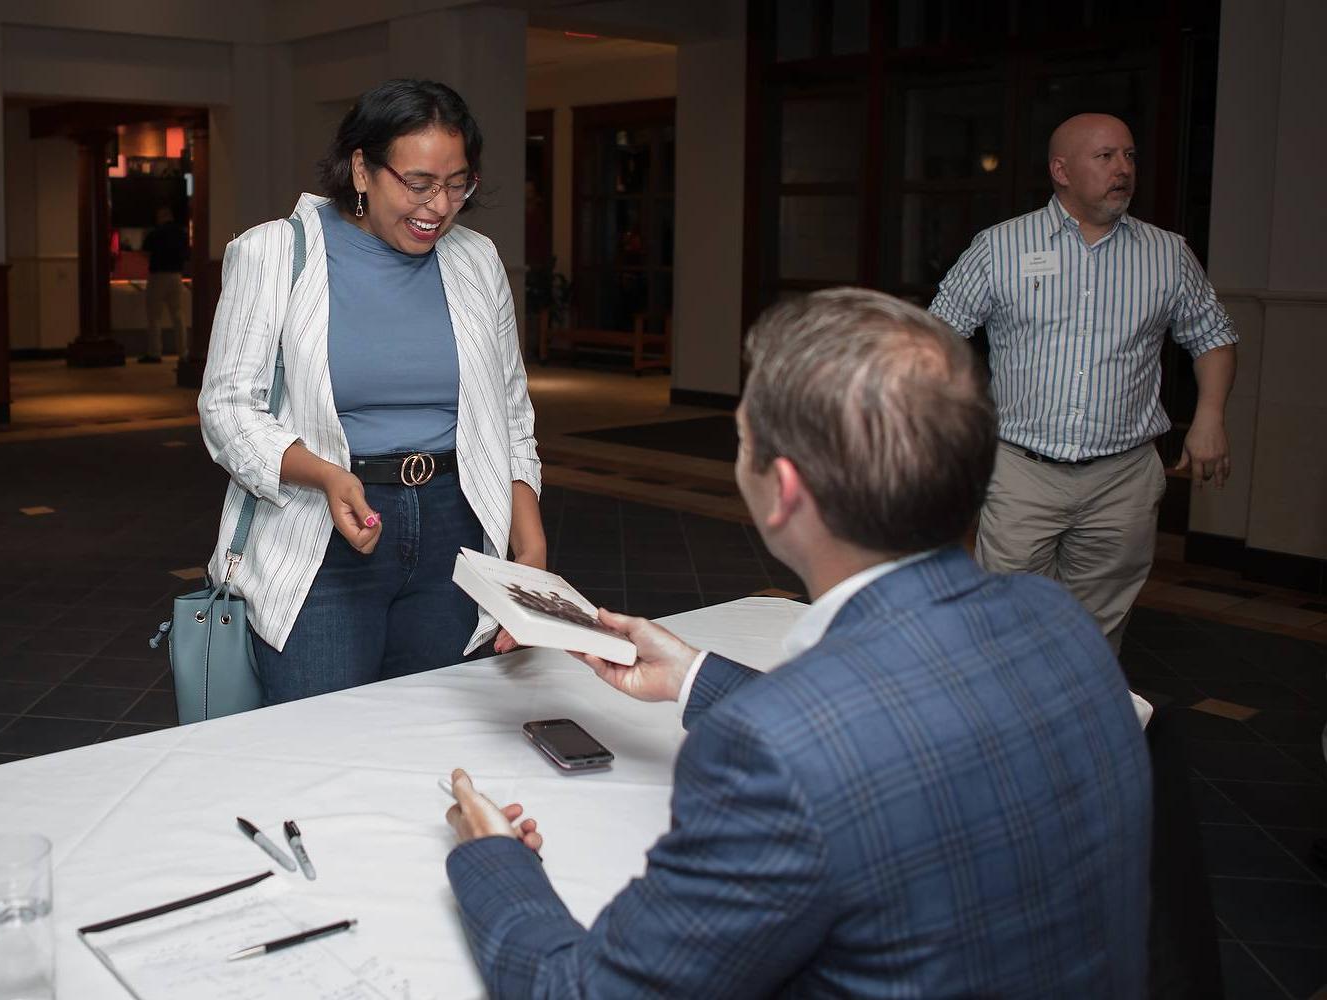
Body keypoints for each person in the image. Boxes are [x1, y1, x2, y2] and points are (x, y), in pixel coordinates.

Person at [441, 289, 1153, 998]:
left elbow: (586, 992)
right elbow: (903, 725)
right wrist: (693, 678)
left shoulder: (772, 753)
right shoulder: (1055, 620)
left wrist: (493, 859)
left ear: (782, 492)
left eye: (744, 440)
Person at [198, 79, 544, 702]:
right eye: (417, 184)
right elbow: (228, 410)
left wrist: (532, 548)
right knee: (321, 740)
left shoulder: (477, 261)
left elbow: (511, 416)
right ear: (362, 167)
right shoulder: (274, 253)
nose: (438, 206)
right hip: (323, 529)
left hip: (455, 526)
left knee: (438, 733)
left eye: (457, 184)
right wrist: (326, 477)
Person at [929, 113, 1238, 653]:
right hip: (1022, 472)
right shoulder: (1000, 247)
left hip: (1123, 480)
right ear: (1061, 170)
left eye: (1130, 156)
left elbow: (1212, 336)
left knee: (1097, 633)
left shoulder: (1168, 254)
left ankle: (1078, 731)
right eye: (1106, 157)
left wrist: (1210, 415)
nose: (1123, 169)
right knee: (1007, 624)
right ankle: (1012, 732)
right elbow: (937, 336)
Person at [140, 205, 188, 363]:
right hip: (176, 276)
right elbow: (187, 254)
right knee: (178, 315)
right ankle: (183, 352)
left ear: (160, 216)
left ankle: (155, 352)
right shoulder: (181, 233)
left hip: (158, 275)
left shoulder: (155, 233)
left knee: (154, 316)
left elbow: (145, 253)